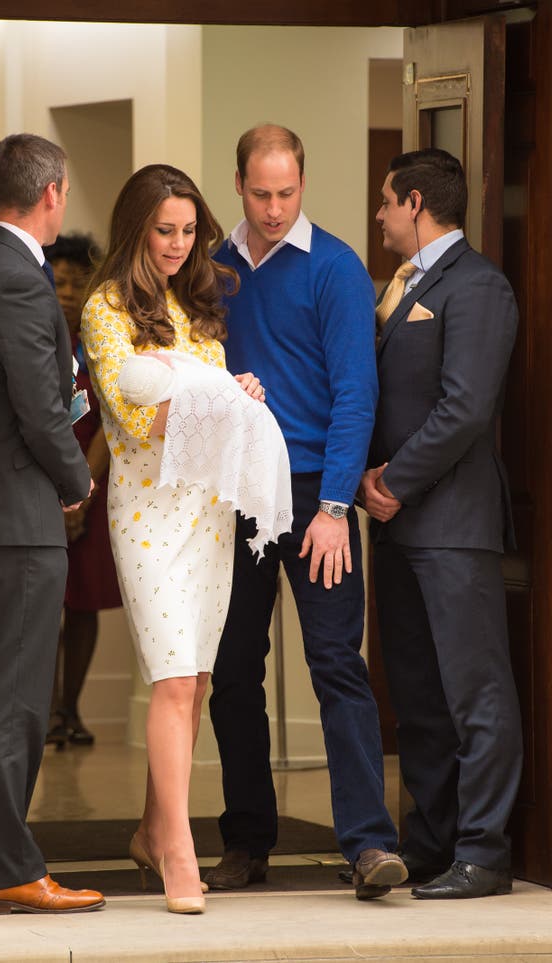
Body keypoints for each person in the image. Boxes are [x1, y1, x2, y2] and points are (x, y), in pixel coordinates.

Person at [205, 123, 407, 901]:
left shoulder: (337, 268)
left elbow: (358, 392)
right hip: (236, 493)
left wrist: (332, 506)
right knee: (231, 673)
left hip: (315, 491)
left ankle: (367, 844)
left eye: (288, 192)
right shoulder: (213, 267)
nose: (275, 207)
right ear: (239, 184)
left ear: (302, 184)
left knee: (337, 666)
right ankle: (246, 842)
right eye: (261, 193)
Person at [81, 163, 273, 915]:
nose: (178, 244)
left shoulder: (196, 305)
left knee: (196, 680)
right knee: (169, 677)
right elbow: (136, 422)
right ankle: (178, 849)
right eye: (165, 230)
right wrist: (216, 397)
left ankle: (151, 828)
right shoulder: (103, 307)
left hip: (207, 514)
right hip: (146, 515)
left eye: (189, 231)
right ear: (136, 227)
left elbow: (204, 415)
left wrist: (235, 392)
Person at [360, 147, 523, 899]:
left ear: (417, 202)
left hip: (453, 526)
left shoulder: (479, 287)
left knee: (474, 694)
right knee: (418, 697)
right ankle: (429, 840)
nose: (383, 213)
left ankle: (484, 850)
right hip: (396, 529)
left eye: (389, 201)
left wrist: (394, 479)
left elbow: (465, 408)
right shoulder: (398, 287)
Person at [0, 133, 105, 915]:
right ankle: (8, 869)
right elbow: (38, 406)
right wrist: (77, 478)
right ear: (50, 193)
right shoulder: (18, 278)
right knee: (12, 704)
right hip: (16, 520)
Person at [43, 233, 122, 749]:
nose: (68, 291)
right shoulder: (39, 334)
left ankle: (72, 708)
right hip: (43, 487)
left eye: (78, 281)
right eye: (60, 281)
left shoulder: (97, 339)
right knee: (48, 604)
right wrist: (60, 490)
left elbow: (109, 423)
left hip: (93, 488)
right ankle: (48, 712)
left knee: (85, 601)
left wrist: (84, 493)